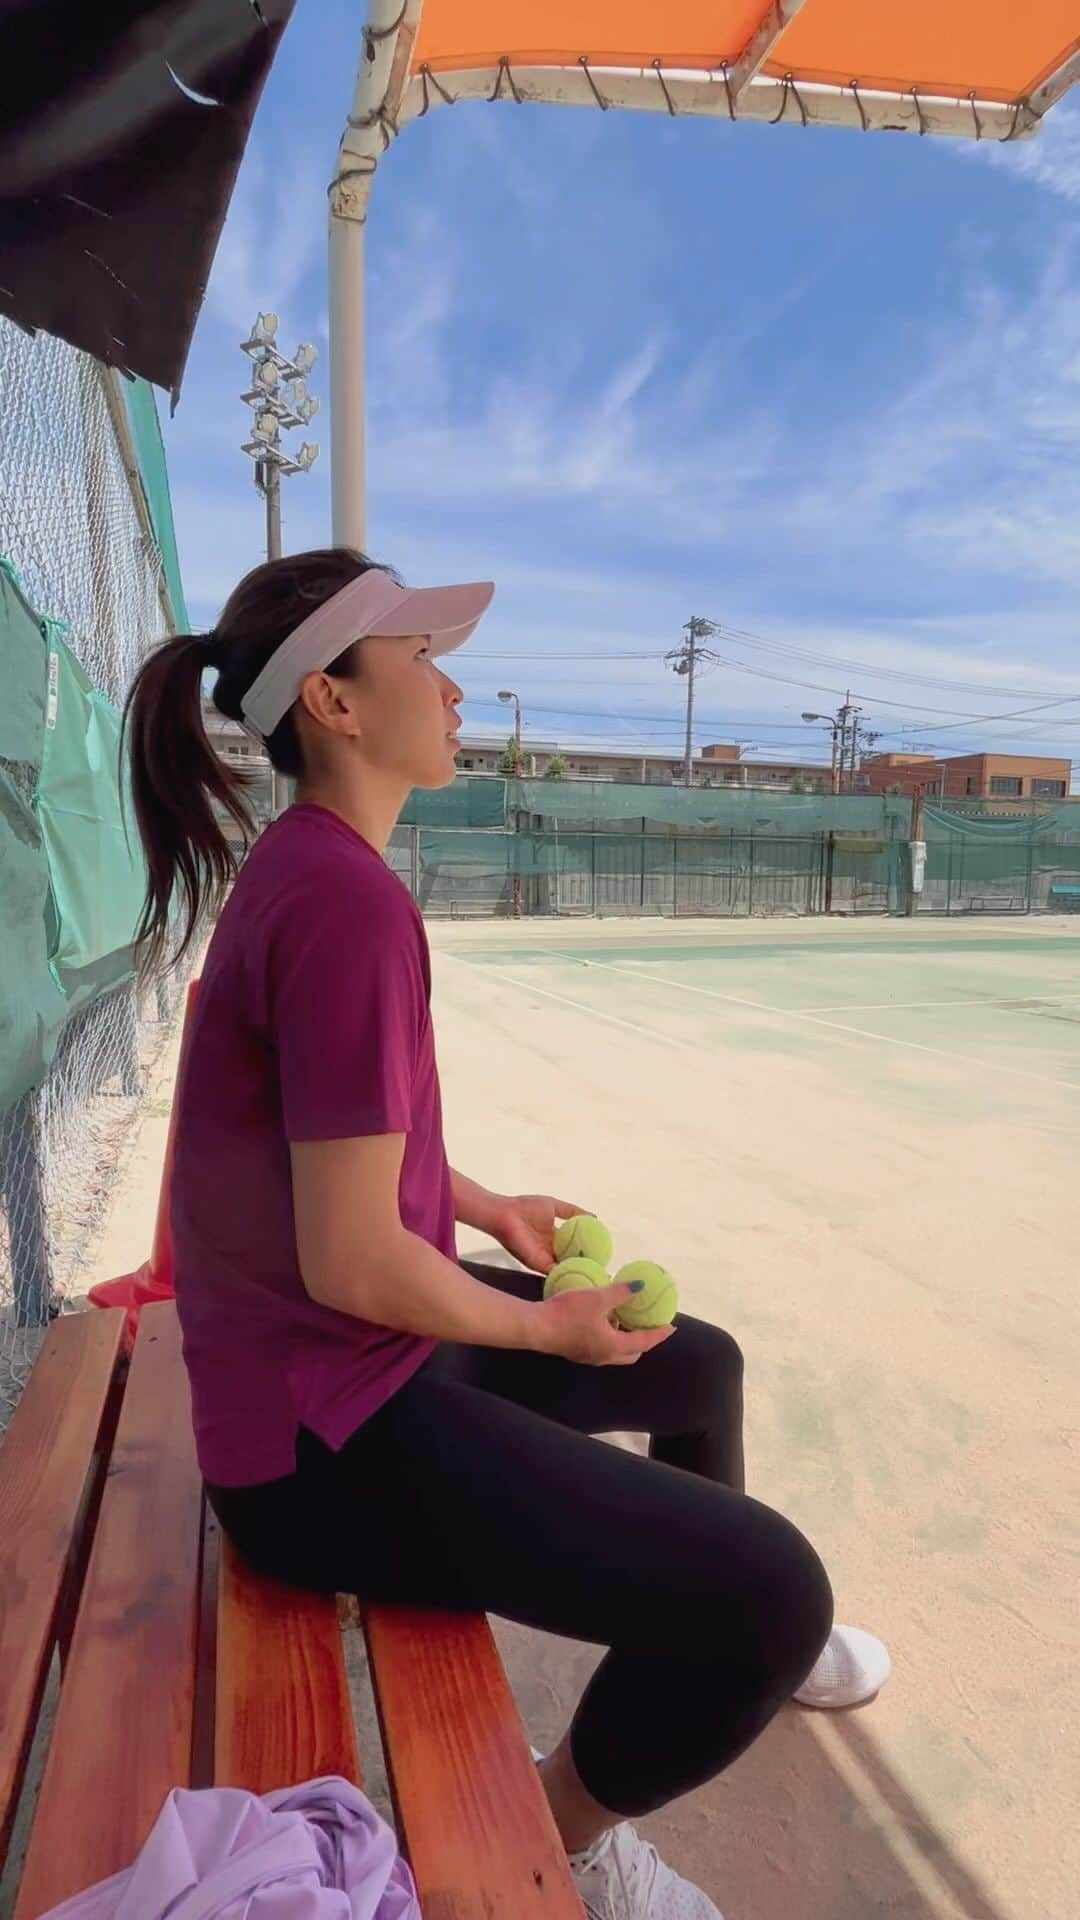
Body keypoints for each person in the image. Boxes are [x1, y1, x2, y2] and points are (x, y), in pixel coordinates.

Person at [124, 548, 886, 1920]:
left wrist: (481, 1205)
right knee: (769, 1594)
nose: (456, 686)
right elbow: (351, 1258)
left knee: (691, 1363)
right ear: (339, 707)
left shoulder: (319, 873)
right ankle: (567, 1824)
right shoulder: (340, 900)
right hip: (312, 1442)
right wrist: (544, 1324)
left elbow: (342, 1152)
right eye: (422, 659)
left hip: (339, 1361)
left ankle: (707, 1634)